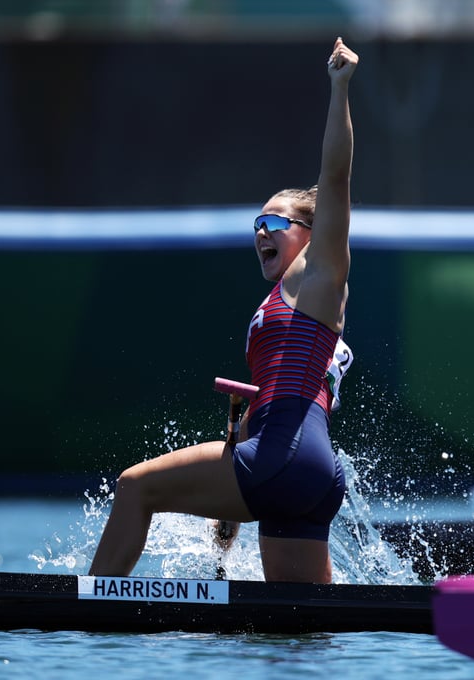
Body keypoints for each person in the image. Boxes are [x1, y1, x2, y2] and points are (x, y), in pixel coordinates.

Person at [88, 37, 359, 583]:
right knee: (304, 633)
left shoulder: (319, 274)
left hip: (284, 456)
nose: (262, 232)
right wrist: (225, 527)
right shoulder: (292, 307)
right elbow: (264, 421)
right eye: (257, 225)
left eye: (277, 223)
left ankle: (86, 605)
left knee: (134, 487)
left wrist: (338, 88)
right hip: (307, 472)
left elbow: (334, 181)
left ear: (310, 235)